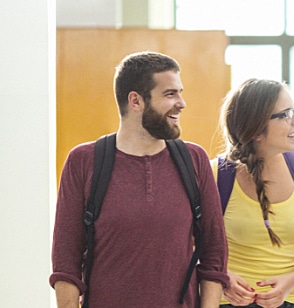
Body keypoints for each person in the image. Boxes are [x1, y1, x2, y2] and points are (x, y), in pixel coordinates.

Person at [49, 51, 228, 307]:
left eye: (180, 92)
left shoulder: (194, 159)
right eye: (170, 94)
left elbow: (214, 253)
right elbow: (66, 260)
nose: (182, 103)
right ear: (135, 101)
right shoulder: (83, 161)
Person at [215, 78, 294, 308]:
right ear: (256, 129)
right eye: (286, 114)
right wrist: (223, 276)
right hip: (229, 303)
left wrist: (288, 283)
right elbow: (189, 247)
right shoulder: (215, 174)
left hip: (291, 301)